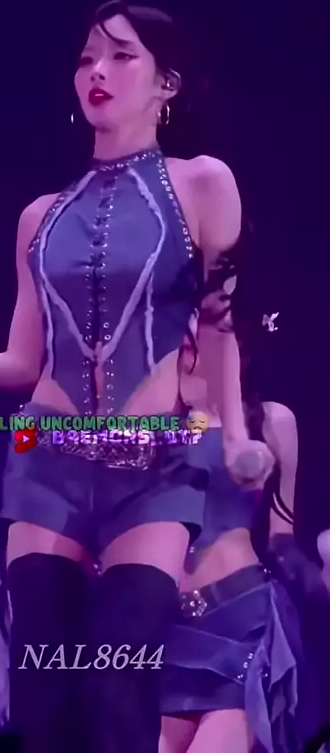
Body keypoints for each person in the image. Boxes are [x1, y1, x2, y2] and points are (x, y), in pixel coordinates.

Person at [0, 0, 274, 753]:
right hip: (47, 459)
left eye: (121, 56)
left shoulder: (202, 184)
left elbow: (219, 323)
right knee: (45, 691)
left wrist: (236, 436)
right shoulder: (40, 216)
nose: (97, 72)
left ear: (166, 83)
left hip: (155, 463)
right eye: (87, 58)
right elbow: (24, 363)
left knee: (116, 678)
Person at [159, 319, 328, 753]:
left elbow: (281, 538)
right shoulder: (146, 422)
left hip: (241, 623)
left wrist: (318, 584)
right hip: (166, 632)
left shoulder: (272, 421)